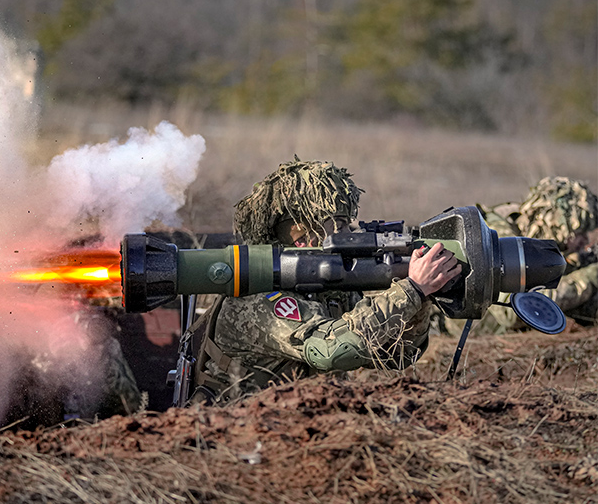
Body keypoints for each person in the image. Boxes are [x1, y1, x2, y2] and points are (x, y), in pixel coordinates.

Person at [189, 158, 462, 403]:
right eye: (338, 225)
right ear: (302, 236)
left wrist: (421, 298)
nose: (348, 233)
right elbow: (331, 351)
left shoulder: (327, 290)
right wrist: (411, 290)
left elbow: (395, 356)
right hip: (231, 434)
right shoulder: (258, 298)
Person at [449, 176, 597, 334]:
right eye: (579, 233)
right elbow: (513, 311)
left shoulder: (532, 231)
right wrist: (587, 279)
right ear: (557, 226)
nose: (585, 240)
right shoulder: (495, 238)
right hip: (463, 335)